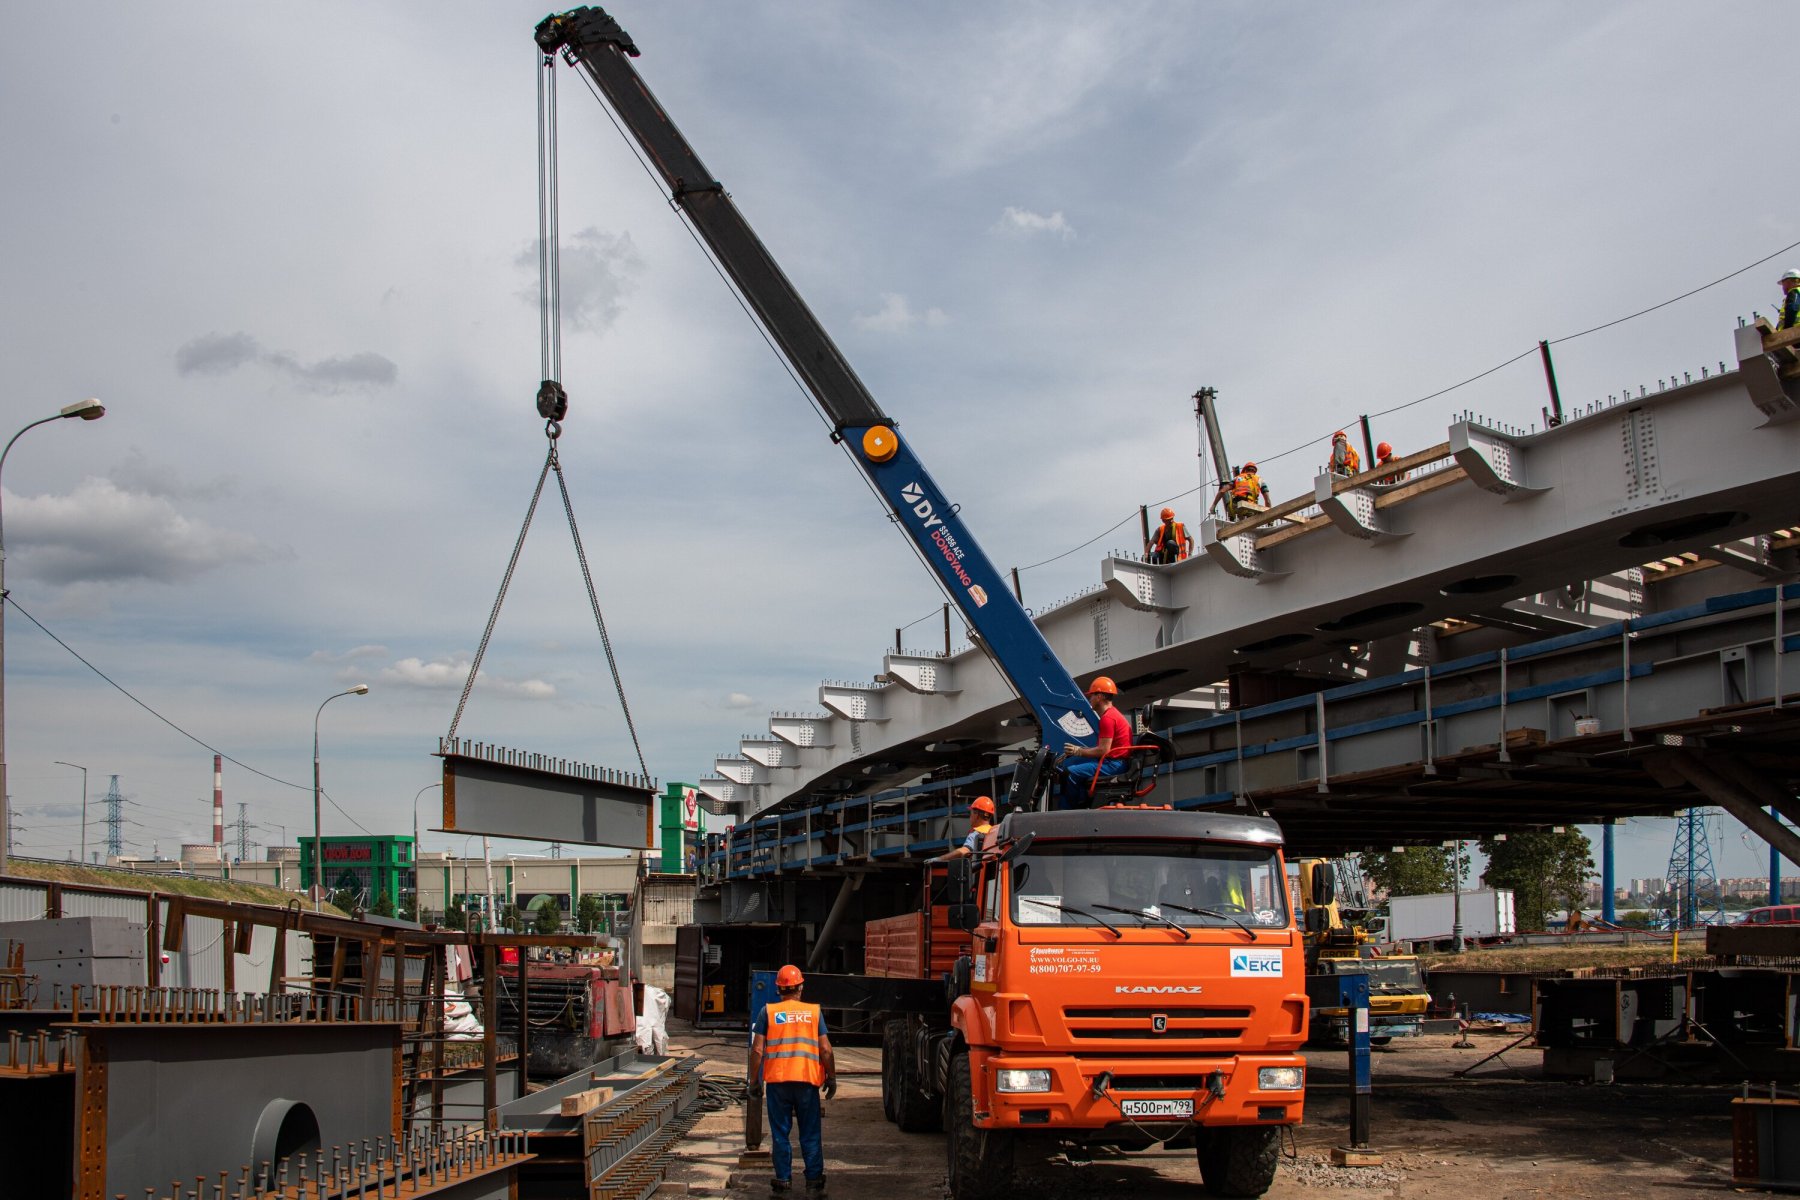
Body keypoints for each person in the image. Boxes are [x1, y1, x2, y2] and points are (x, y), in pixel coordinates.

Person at [749, 964, 836, 1195]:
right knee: (810, 1133)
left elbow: (757, 1051)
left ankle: (783, 1178)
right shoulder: (814, 1013)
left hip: (778, 1084)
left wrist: (753, 1082)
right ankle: (814, 1180)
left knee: (780, 1133)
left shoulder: (767, 1013)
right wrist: (832, 1076)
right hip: (807, 1083)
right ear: (800, 987)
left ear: (779, 989)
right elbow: (826, 1049)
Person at [1057, 676, 1133, 809]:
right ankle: (1083, 802)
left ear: (1099, 696)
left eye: (1091, 696)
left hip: (1113, 764)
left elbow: (1104, 750)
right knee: (1075, 765)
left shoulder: (1108, 718)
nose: (1089, 699)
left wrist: (1078, 751)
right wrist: (1077, 752)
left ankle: (1069, 811)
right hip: (1116, 762)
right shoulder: (1113, 715)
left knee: (1069, 773)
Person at [930, 795, 995, 863]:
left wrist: (939, 859)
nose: (970, 816)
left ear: (976, 814)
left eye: (971, 813)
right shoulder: (995, 832)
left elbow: (964, 851)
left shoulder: (976, 834)